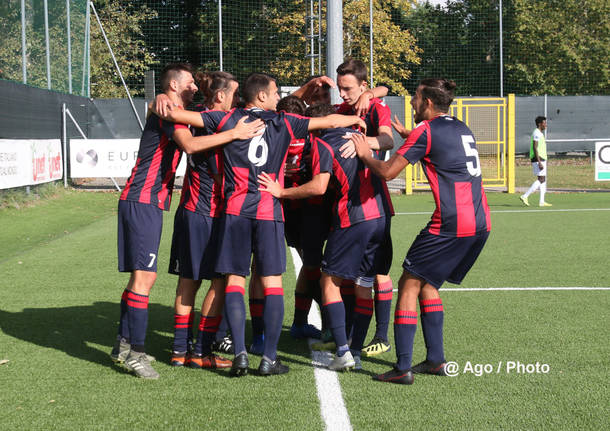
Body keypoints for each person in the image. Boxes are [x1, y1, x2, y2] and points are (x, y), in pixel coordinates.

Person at [153, 72, 366, 377]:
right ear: (263, 96)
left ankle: (239, 353)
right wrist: (355, 123)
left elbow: (177, 114)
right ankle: (268, 358)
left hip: (235, 211)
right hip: (268, 211)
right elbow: (328, 122)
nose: (279, 95)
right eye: (276, 91)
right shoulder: (284, 121)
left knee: (235, 281)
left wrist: (161, 99)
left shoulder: (228, 118)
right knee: (272, 283)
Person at [111, 63, 264, 379]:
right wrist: (233, 133)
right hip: (145, 200)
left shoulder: (179, 110)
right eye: (190, 82)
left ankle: (124, 344)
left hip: (150, 201)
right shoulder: (169, 111)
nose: (195, 86)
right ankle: (137, 355)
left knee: (148, 280)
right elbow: (191, 144)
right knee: (145, 280)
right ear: (173, 86)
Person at [353, 78, 491, 385]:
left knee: (408, 283)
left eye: (415, 99)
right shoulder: (460, 127)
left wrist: (365, 154)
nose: (412, 104)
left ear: (427, 102)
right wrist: (410, 136)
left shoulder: (425, 131)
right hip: (480, 222)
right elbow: (443, 154)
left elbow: (388, 172)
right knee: (428, 284)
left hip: (451, 223)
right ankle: (435, 360)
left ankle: (402, 367)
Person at [258, 103, 394, 372]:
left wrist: (281, 192)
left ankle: (343, 350)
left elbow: (319, 187)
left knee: (328, 280)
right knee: (364, 282)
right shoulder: (359, 137)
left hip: (353, 218)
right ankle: (355, 349)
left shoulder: (323, 143)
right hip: (380, 216)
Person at [166, 71, 252, 370]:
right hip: (207, 211)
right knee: (214, 281)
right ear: (220, 95)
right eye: (234, 92)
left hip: (199, 211)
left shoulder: (204, 118)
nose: (237, 98)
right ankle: (195, 351)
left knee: (190, 282)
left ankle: (184, 351)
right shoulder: (216, 123)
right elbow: (198, 154)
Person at [335, 58, 394, 356]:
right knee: (351, 274)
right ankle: (347, 335)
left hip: (376, 203)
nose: (342, 94)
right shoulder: (342, 111)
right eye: (339, 88)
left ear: (363, 86)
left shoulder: (375, 106)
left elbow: (387, 139)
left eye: (347, 89)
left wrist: (364, 142)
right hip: (349, 206)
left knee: (378, 272)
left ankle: (381, 336)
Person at [520, 116, 552, 207]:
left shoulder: (539, 133)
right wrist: (539, 161)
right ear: (539, 124)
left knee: (543, 179)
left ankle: (542, 201)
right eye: (544, 123)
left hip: (542, 158)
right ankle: (525, 196)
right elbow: (535, 147)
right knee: (541, 179)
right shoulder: (537, 133)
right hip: (538, 159)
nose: (546, 125)